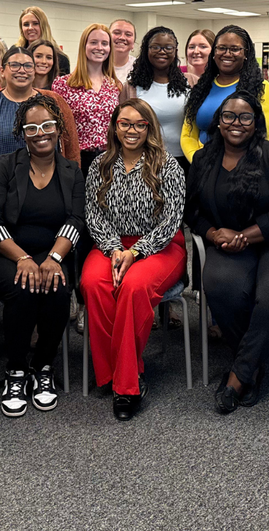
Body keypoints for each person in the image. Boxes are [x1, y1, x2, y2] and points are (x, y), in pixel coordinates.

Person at [186, 92, 269, 413]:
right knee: (221, 285)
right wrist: (213, 233)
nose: (237, 123)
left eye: (245, 117)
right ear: (218, 122)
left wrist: (245, 235)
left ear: (256, 122)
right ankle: (252, 366)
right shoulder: (203, 159)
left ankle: (239, 375)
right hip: (229, 244)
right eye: (229, 116)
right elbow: (192, 211)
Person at [0, 94, 85, 417]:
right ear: (22, 133)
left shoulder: (72, 171)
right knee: (24, 288)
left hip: (50, 252)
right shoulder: (4, 167)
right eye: (31, 128)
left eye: (47, 125)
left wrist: (54, 259)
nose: (40, 133)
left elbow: (75, 221)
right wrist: (23, 259)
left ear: (59, 128)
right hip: (0, 252)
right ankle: (16, 371)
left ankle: (43, 367)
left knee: (58, 288)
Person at [80, 99, 186, 421]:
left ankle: (126, 385)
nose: (132, 130)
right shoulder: (100, 165)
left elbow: (171, 221)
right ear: (115, 127)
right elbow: (93, 215)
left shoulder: (168, 165)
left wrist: (136, 252)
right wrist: (114, 249)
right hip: (110, 244)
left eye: (140, 124)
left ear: (149, 128)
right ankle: (114, 372)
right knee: (93, 283)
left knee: (133, 286)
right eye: (125, 123)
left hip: (160, 246)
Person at [0, 47, 80, 200]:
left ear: (34, 71)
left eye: (28, 66)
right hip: (2, 196)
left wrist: (73, 191)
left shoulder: (54, 101)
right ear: (2, 71)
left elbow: (71, 151)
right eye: (15, 65)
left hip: (51, 195)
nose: (22, 70)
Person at [181, 25, 269, 162]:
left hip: (242, 167)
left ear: (246, 53)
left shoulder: (261, 88)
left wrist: (230, 166)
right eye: (221, 48)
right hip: (200, 164)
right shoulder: (202, 87)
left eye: (235, 49)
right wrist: (198, 160)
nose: (227, 53)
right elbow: (188, 134)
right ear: (214, 52)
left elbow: (263, 137)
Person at [51, 23, 120, 177]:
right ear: (84, 46)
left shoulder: (114, 85)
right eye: (94, 42)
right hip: (78, 160)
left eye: (104, 43)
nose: (99, 47)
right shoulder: (63, 85)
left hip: (109, 159)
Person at [121, 26, 189, 167]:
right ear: (147, 50)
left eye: (168, 48)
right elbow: (121, 125)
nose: (162, 52)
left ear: (175, 51)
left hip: (183, 159)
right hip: (144, 160)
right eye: (155, 47)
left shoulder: (189, 82)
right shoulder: (131, 87)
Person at [16, 6, 70, 74]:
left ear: (43, 26)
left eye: (35, 23)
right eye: (26, 24)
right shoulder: (15, 53)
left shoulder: (60, 58)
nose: (30, 28)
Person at [109, 19, 137, 84]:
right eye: (116, 33)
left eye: (128, 34)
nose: (122, 38)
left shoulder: (140, 67)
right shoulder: (95, 65)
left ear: (133, 43)